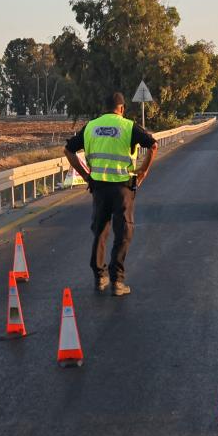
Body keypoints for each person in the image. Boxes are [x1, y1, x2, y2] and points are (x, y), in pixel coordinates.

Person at [65, 91, 157, 296]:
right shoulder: (128, 126)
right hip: (122, 188)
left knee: (100, 231)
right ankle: (117, 281)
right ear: (122, 108)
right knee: (123, 233)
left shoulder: (91, 126)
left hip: (98, 187)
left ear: (104, 108)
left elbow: (69, 150)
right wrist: (142, 172)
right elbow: (153, 145)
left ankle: (100, 277)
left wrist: (85, 175)